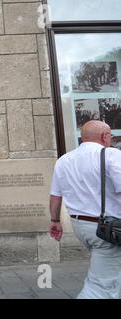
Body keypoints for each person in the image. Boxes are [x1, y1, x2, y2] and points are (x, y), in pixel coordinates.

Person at [49, 120, 121, 299]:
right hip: (109, 229)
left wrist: (55, 221)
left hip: (81, 226)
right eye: (110, 136)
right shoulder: (110, 155)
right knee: (102, 286)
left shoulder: (64, 160)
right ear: (105, 136)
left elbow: (55, 196)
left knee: (109, 273)